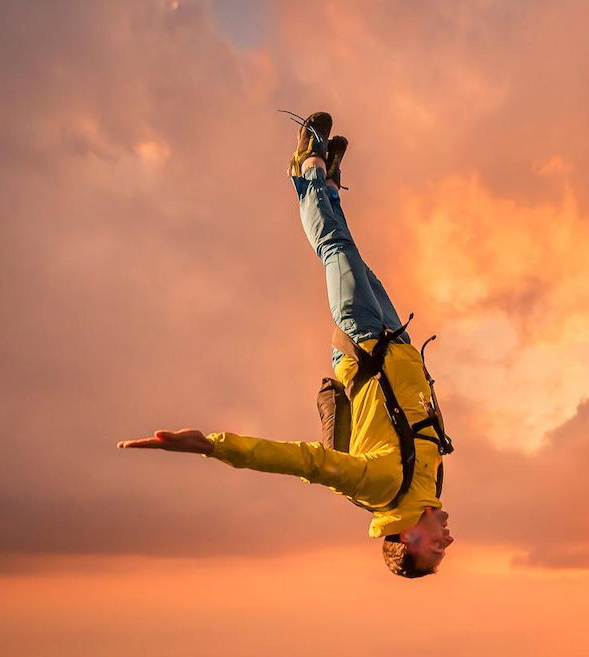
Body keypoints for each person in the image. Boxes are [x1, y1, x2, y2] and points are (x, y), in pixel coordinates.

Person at [118, 112, 454, 577]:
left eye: (436, 549)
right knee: (347, 250)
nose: (448, 541)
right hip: (394, 339)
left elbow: (299, 460)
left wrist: (212, 445)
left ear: (410, 537)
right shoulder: (425, 487)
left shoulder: (379, 488)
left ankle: (306, 167)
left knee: (335, 249)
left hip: (361, 339)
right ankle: (329, 189)